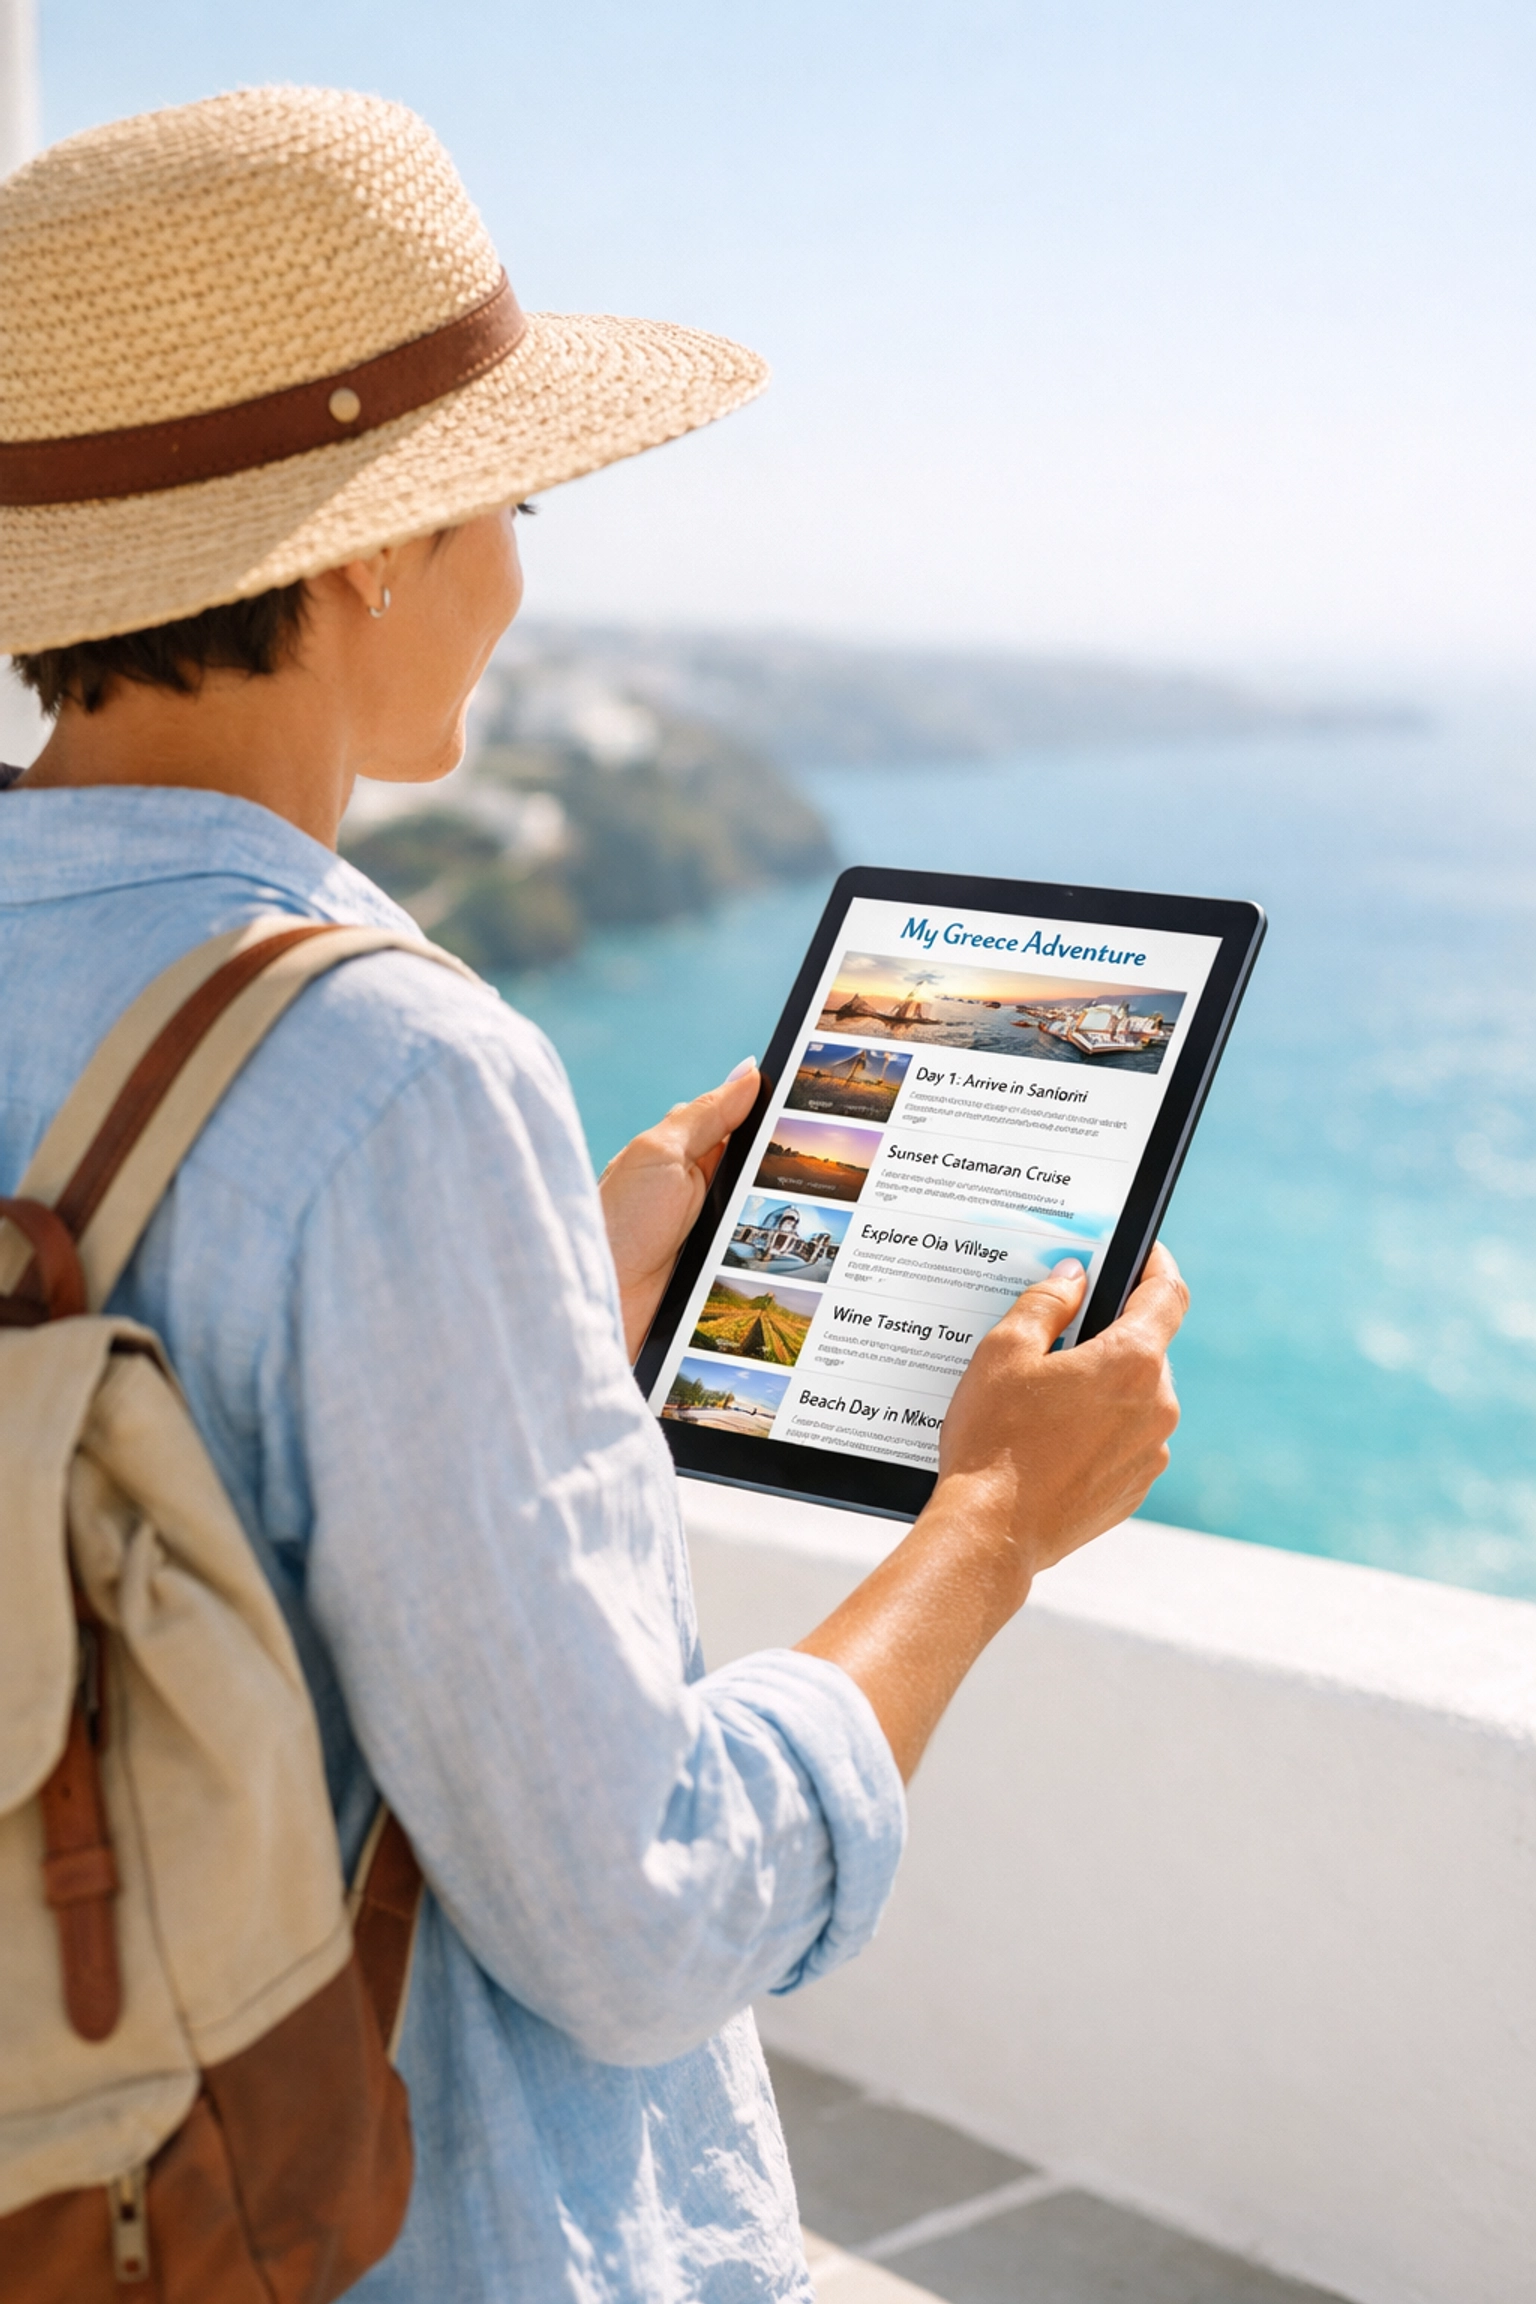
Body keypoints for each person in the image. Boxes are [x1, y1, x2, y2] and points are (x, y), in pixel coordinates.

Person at [0, 87, 1186, 2304]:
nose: (524, 575)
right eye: (508, 497)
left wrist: (562, 1289)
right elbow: (633, 1916)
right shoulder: (390, 1072)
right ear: (368, 547)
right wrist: (993, 1525)